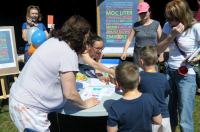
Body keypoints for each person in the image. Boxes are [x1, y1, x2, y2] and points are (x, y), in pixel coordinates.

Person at [9, 15, 100, 131]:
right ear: (80, 35)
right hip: (29, 109)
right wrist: (85, 104)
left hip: (21, 100)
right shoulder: (68, 52)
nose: (87, 39)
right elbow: (70, 94)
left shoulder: (54, 41)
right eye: (86, 36)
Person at [157, 0, 200, 131]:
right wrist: (172, 35)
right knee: (169, 111)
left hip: (187, 75)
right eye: (167, 17)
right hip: (170, 72)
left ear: (182, 15)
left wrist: (197, 57)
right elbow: (158, 50)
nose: (169, 21)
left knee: (185, 115)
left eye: (172, 18)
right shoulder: (167, 26)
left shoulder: (196, 27)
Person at [107, 61, 162, 132]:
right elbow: (158, 121)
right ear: (139, 79)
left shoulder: (115, 107)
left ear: (117, 84)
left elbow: (111, 130)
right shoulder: (150, 99)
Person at [139, 45, 171, 132]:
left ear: (141, 61)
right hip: (164, 116)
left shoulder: (139, 77)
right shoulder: (163, 77)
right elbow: (166, 92)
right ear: (157, 60)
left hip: (148, 117)